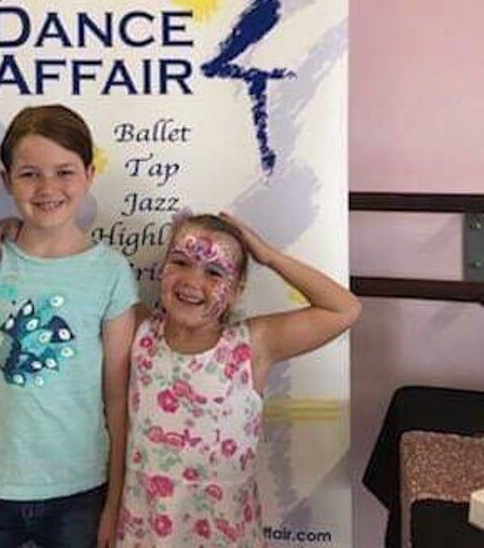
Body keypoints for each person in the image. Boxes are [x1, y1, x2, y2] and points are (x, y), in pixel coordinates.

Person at [0, 104, 138, 548]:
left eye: (64, 172)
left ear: (89, 174)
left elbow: (118, 397)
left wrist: (115, 502)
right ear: (6, 180)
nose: (48, 188)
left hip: (79, 488)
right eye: (29, 174)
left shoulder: (111, 273)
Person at [115, 211, 361, 547]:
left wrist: (269, 256)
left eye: (214, 272)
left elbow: (344, 309)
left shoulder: (252, 345)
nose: (192, 281)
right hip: (146, 527)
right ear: (163, 267)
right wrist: (17, 233)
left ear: (235, 290)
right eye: (181, 262)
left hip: (224, 532)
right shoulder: (137, 329)